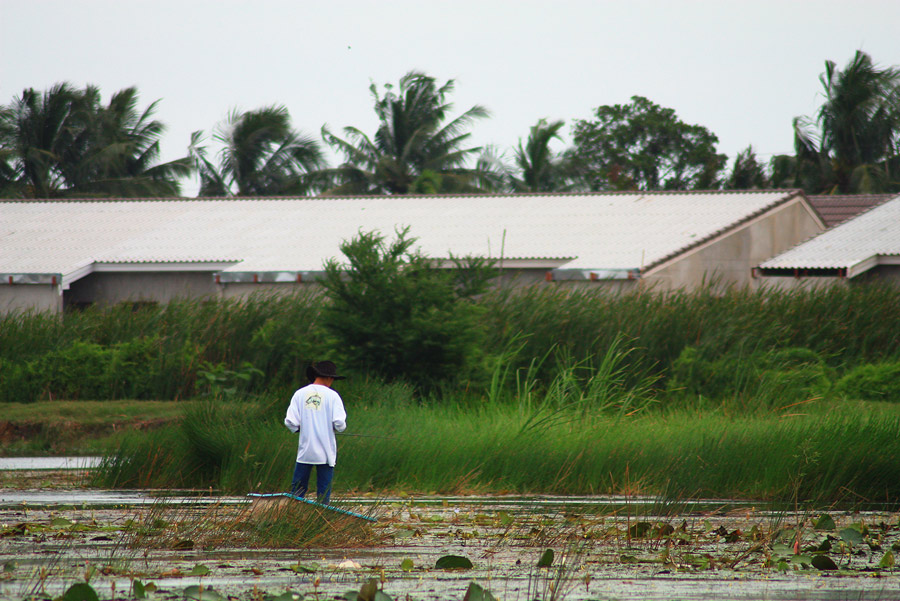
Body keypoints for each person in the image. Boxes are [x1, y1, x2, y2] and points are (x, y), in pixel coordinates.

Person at [284, 360, 347, 504]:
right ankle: (321, 518)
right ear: (330, 378)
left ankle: (293, 515)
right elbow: (340, 424)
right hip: (326, 453)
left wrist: (300, 428)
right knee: (323, 493)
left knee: (297, 492)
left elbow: (290, 422)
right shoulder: (333, 396)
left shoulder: (300, 394)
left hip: (305, 452)